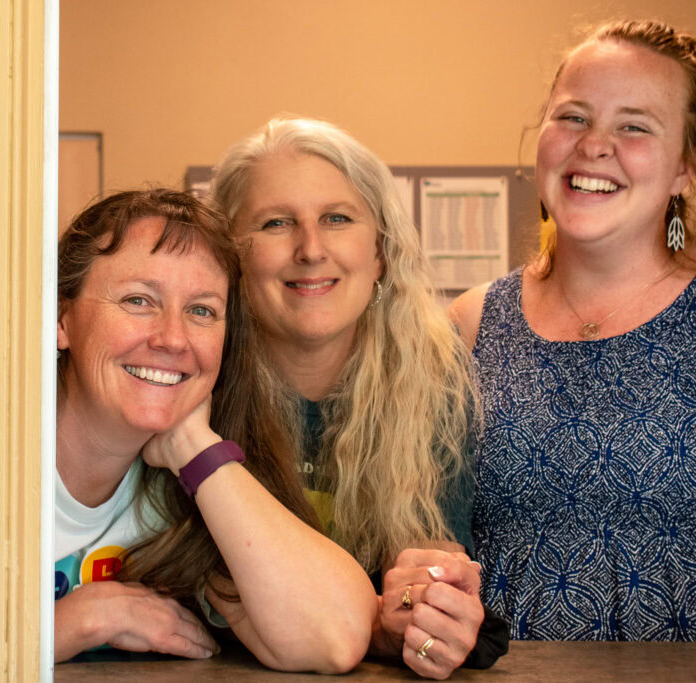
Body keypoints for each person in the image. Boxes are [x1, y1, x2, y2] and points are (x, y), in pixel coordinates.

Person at [451, 20, 696, 641]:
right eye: (572, 117)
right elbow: (424, 546)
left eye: (634, 126)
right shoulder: (467, 325)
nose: (593, 146)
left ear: (683, 170)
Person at [209, 117, 507, 679]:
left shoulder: (434, 382)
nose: (311, 249)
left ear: (380, 254)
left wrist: (430, 612)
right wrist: (366, 623)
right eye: (276, 223)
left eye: (337, 219)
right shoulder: (197, 380)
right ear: (231, 259)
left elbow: (429, 568)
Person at [53, 189, 376, 671]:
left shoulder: (187, 488)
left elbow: (335, 637)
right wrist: (74, 623)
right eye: (139, 300)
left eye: (202, 310)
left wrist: (195, 449)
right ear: (61, 319)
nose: (173, 339)